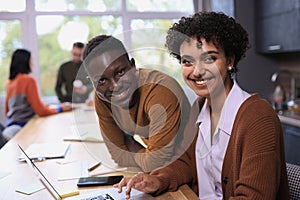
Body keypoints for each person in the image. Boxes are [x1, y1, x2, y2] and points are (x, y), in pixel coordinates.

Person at [115, 11, 290, 199]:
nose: (197, 71)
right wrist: (157, 180)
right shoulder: (200, 107)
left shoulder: (258, 118)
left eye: (209, 59)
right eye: (187, 61)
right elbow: (187, 162)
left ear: (230, 61)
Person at [82, 35, 191, 172]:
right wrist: (146, 157)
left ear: (133, 66)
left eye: (120, 72)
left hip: (194, 171)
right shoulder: (103, 98)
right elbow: (119, 157)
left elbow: (154, 163)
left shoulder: (160, 90)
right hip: (163, 175)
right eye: (102, 80)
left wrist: (130, 145)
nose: (115, 86)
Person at [2, 49, 72, 142]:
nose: (33, 64)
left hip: (10, 127)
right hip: (22, 128)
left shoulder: (9, 83)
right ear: (25, 62)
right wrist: (60, 108)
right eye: (31, 61)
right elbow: (40, 111)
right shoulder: (28, 80)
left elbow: (7, 111)